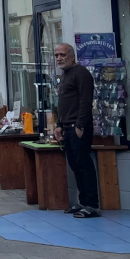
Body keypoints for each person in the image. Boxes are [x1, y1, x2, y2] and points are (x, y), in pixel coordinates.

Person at [53, 42, 100, 218]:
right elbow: (65, 103)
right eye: (57, 55)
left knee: (84, 165)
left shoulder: (81, 73)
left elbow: (85, 101)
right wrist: (59, 124)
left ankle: (92, 205)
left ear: (72, 56)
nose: (59, 58)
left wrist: (80, 125)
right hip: (67, 127)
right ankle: (83, 202)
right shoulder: (65, 75)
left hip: (78, 128)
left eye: (63, 54)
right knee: (75, 165)